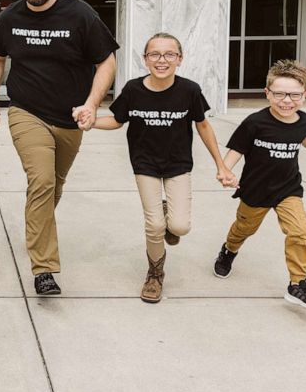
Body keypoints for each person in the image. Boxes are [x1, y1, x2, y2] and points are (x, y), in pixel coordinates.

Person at [0, 0, 118, 296]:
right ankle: (44, 269)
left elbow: (106, 61)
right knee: (42, 182)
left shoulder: (81, 15)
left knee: (52, 188)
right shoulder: (10, 17)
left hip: (72, 118)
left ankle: (36, 225)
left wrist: (92, 103)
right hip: (26, 112)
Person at [87, 33, 236, 303]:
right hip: (145, 164)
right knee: (154, 225)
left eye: (169, 54)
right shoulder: (133, 89)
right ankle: (155, 274)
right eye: (154, 54)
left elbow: (203, 126)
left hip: (178, 164)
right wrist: (91, 122)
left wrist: (221, 165)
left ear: (180, 59)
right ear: (145, 60)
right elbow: (117, 120)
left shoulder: (189, 90)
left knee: (179, 227)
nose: (162, 60)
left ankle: (169, 215)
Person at [213, 59, 306, 310]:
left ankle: (297, 284)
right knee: (243, 229)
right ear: (267, 94)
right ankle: (229, 250)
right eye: (279, 94)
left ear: (305, 95)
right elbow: (237, 149)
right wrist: (225, 170)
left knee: (299, 232)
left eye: (294, 95)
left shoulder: (304, 121)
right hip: (255, 189)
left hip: (288, 189)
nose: (287, 101)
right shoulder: (255, 122)